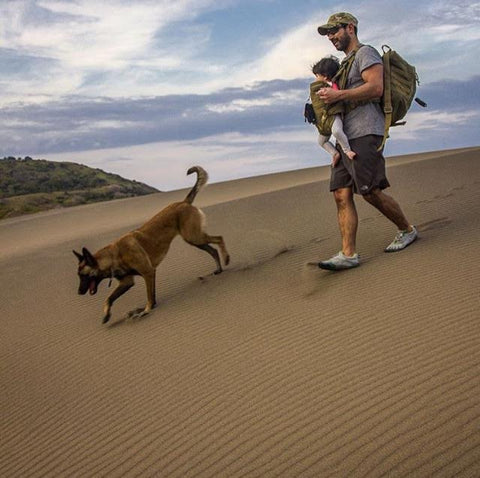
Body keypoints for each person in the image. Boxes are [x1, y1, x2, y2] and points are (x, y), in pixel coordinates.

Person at [315, 12, 418, 270]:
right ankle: (348, 254)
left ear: (350, 28)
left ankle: (407, 229)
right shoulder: (343, 64)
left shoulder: (366, 54)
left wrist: (339, 96)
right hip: (346, 137)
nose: (330, 37)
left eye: (334, 31)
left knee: (370, 191)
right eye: (327, 33)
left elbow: (376, 88)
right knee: (341, 193)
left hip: (365, 131)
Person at [311, 57, 356, 164]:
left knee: (336, 131)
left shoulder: (332, 85)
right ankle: (334, 153)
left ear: (325, 76)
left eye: (317, 76)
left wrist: (327, 92)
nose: (315, 79)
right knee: (321, 141)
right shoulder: (317, 87)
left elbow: (336, 94)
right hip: (324, 121)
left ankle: (347, 150)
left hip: (333, 116)